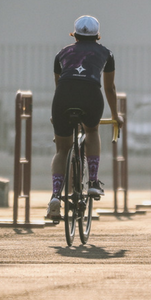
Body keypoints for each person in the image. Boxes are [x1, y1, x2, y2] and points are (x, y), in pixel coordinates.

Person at [45, 15, 123, 220]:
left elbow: (59, 84)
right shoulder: (107, 53)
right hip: (91, 96)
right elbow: (110, 88)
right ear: (98, 35)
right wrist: (116, 115)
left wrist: (57, 114)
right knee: (92, 130)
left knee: (62, 149)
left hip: (63, 98)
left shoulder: (62, 53)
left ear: (75, 34)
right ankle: (94, 183)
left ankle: (55, 195)